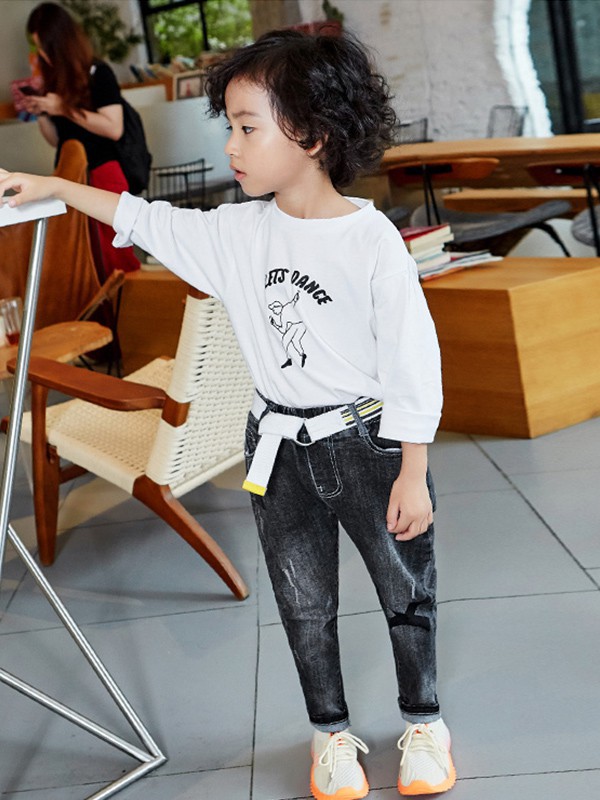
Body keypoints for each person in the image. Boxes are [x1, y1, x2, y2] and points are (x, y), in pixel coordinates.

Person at [0, 29, 455, 799]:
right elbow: (141, 217)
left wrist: (413, 469)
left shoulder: (370, 240)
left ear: (312, 135)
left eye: (248, 127)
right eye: (231, 127)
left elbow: (414, 359)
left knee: (404, 588)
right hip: (277, 446)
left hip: (367, 442)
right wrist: (51, 186)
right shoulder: (237, 231)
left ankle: (425, 722)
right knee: (303, 603)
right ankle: (329, 735)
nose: (231, 146)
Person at [22, 1, 139, 278]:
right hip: (69, 175)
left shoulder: (98, 73)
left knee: (116, 259)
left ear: (60, 42)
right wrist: (42, 112)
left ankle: (129, 305)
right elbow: (57, 141)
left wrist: (63, 108)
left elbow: (113, 128)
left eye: (44, 47)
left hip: (103, 172)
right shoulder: (55, 81)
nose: (41, 54)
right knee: (84, 262)